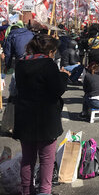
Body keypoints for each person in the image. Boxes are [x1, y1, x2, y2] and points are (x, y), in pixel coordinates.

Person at [13, 34, 69, 195]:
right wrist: (64, 75)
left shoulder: (21, 63)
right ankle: (44, 191)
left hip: (25, 116)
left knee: (27, 159)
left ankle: (26, 190)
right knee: (46, 159)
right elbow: (58, 89)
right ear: (50, 51)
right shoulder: (48, 64)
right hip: (46, 118)